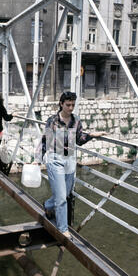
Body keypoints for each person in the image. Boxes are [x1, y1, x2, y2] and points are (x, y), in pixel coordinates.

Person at [41, 91, 105, 238]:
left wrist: (90, 135)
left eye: (73, 105)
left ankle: (48, 205)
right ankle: (63, 229)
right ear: (61, 104)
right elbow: (45, 140)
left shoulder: (76, 121)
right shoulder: (53, 120)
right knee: (62, 198)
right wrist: (38, 159)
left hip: (69, 159)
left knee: (66, 193)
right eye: (68, 105)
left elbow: (79, 139)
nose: (70, 108)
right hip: (55, 158)